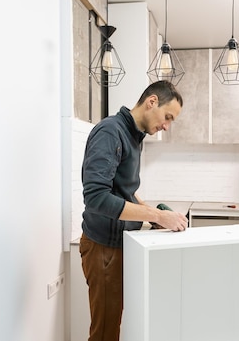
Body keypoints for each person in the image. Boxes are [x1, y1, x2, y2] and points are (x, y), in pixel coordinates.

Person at [79, 80, 188, 341]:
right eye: (167, 117)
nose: (166, 126)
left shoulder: (133, 136)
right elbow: (96, 197)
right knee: (105, 331)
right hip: (103, 248)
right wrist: (159, 216)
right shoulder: (110, 132)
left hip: (118, 245)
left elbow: (122, 189)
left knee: (112, 325)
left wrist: (148, 212)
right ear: (152, 102)